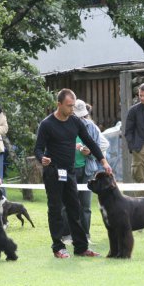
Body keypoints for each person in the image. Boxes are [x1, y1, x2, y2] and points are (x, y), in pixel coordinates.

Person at [35, 89, 112, 259]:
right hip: (53, 172)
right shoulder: (47, 124)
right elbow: (38, 148)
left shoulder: (75, 122)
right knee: (55, 209)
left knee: (74, 208)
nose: (72, 109)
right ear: (59, 104)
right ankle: (58, 247)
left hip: (69, 172)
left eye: (73, 106)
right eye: (69, 106)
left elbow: (90, 142)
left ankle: (81, 247)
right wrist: (42, 159)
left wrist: (103, 161)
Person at [60, 99, 110, 241]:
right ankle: (67, 235)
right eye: (78, 116)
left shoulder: (91, 127)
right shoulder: (62, 126)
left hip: (87, 170)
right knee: (66, 204)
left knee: (86, 206)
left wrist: (90, 153)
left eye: (83, 116)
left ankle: (85, 235)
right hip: (68, 170)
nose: (81, 119)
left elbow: (100, 147)